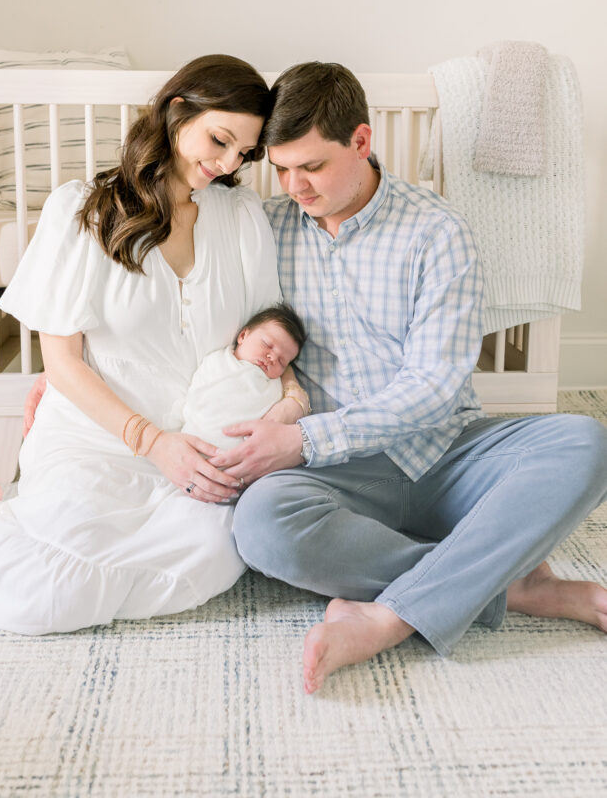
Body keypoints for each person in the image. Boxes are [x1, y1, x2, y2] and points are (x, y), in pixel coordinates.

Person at [205, 61, 607, 694]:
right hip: (338, 477)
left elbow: (436, 385)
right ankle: (506, 583)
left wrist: (305, 440)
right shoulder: (269, 227)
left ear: (361, 142)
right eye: (281, 169)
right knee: (262, 523)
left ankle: (389, 615)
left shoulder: (436, 230)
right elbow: (201, 324)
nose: (294, 186)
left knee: (584, 442)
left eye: (311, 166)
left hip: (443, 451)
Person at [0, 54, 307, 635]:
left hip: (199, 446)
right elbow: (62, 362)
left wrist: (292, 403)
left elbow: (269, 335)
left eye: (245, 153)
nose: (228, 163)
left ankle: (4, 515)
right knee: (37, 595)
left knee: (214, 557)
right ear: (179, 110)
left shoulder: (241, 215)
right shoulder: (83, 210)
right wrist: (153, 444)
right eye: (220, 139)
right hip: (99, 437)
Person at [178, 304, 308, 453]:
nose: (272, 358)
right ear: (243, 336)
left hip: (243, 459)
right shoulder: (217, 361)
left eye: (281, 361)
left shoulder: (275, 386)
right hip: (196, 441)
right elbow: (196, 395)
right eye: (267, 345)